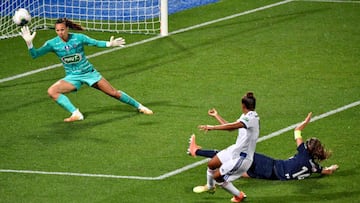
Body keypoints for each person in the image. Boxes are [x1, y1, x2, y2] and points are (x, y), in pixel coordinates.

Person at [19, 18, 153, 122]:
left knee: (113, 93)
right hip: (72, 77)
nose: (60, 33)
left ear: (67, 28)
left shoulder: (78, 38)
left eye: (62, 30)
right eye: (57, 30)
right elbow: (35, 55)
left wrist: (109, 44)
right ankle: (76, 113)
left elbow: (95, 42)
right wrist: (29, 43)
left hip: (89, 73)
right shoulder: (52, 43)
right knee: (52, 91)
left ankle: (140, 106)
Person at [188, 112, 339, 181]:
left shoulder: (303, 153)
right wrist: (330, 168)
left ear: (308, 149)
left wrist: (305, 122)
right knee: (242, 169)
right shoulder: (313, 166)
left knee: (234, 156)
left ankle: (197, 151)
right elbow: (325, 171)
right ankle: (221, 172)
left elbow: (297, 131)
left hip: (271, 166)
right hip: (273, 176)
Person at [193, 92, 259, 203]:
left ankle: (239, 196)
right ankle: (210, 187)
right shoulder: (246, 116)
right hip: (235, 150)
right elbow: (230, 127)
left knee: (217, 177)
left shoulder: (252, 118)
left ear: (243, 105)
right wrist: (216, 116)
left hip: (242, 158)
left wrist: (212, 127)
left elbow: (233, 126)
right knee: (211, 165)